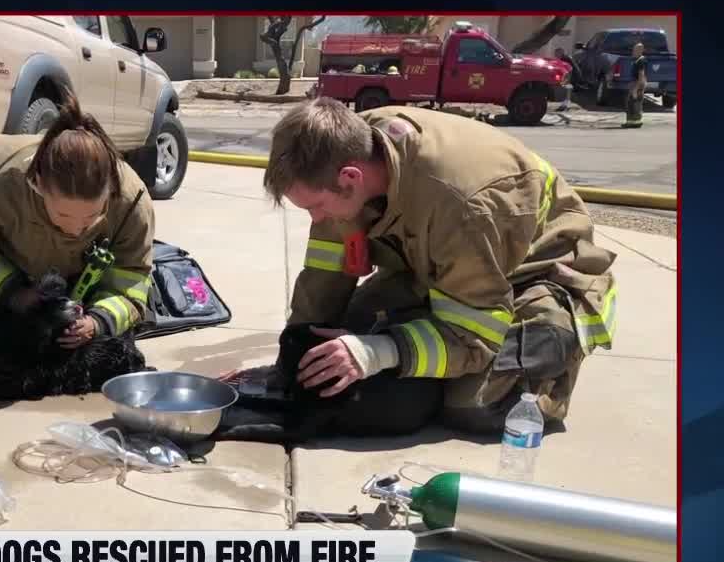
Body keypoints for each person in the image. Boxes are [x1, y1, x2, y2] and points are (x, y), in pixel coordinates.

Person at [229, 98, 618, 434]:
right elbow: (326, 273)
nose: (316, 219)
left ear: (351, 179)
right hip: (442, 265)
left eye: (316, 207)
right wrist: (291, 361)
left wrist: (377, 351)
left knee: (470, 405)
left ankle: (547, 364)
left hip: (532, 275)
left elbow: (472, 335)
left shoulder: (466, 207)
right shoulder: (343, 149)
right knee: (341, 343)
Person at [0, 92, 155, 353]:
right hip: (7, 285)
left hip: (83, 293)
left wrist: (96, 322)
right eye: (63, 215)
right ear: (38, 185)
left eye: (92, 218)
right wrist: (12, 293)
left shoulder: (131, 202)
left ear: (111, 193)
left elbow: (131, 281)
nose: (76, 229)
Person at [623, 42, 648, 128]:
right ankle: (630, 122)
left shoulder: (641, 61)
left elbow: (641, 76)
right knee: (631, 103)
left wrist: (635, 89)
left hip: (638, 83)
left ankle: (636, 122)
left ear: (640, 51)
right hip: (636, 83)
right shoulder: (637, 60)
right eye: (633, 49)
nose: (633, 51)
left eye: (635, 50)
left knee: (635, 103)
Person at [553, 47, 576, 111]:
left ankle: (565, 106)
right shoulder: (565, 58)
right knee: (567, 91)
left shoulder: (565, 59)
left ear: (561, 53)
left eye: (557, 53)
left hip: (571, 76)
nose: (555, 55)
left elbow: (569, 70)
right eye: (555, 53)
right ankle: (565, 105)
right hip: (570, 76)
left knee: (566, 91)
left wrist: (566, 80)